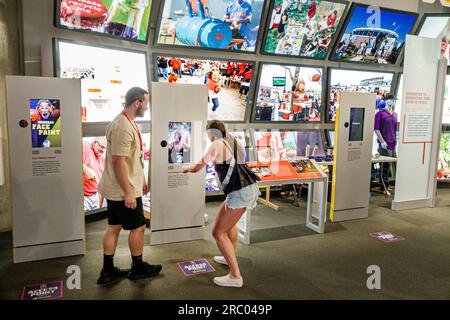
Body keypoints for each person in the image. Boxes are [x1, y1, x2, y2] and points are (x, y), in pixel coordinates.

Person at [97, 87, 162, 284]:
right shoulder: (122, 127)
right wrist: (128, 192)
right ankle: (138, 267)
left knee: (113, 227)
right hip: (122, 190)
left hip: (122, 187)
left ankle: (108, 271)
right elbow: (118, 162)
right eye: (146, 103)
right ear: (137, 103)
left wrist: (141, 179)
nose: (147, 107)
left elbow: (131, 158)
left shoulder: (127, 122)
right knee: (139, 227)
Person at [183, 120, 259, 287]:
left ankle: (235, 276)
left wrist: (186, 169)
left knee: (217, 233)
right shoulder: (230, 141)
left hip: (240, 192)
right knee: (227, 224)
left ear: (211, 133)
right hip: (243, 189)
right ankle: (228, 256)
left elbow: (199, 165)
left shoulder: (216, 144)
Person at [374, 93, 398, 196]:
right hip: (384, 143)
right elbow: (376, 128)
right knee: (385, 165)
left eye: (394, 100)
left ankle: (386, 185)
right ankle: (382, 186)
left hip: (392, 143)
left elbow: (395, 129)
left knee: (389, 166)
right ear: (387, 100)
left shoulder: (395, 114)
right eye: (392, 100)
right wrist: (382, 141)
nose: (394, 102)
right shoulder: (380, 114)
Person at [83, 137, 107, 212]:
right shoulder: (85, 146)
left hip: (95, 196)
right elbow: (70, 157)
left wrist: (99, 207)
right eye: (102, 146)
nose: (103, 150)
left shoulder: (103, 160)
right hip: (83, 197)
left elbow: (101, 187)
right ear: (95, 143)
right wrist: (84, 168)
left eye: (105, 148)